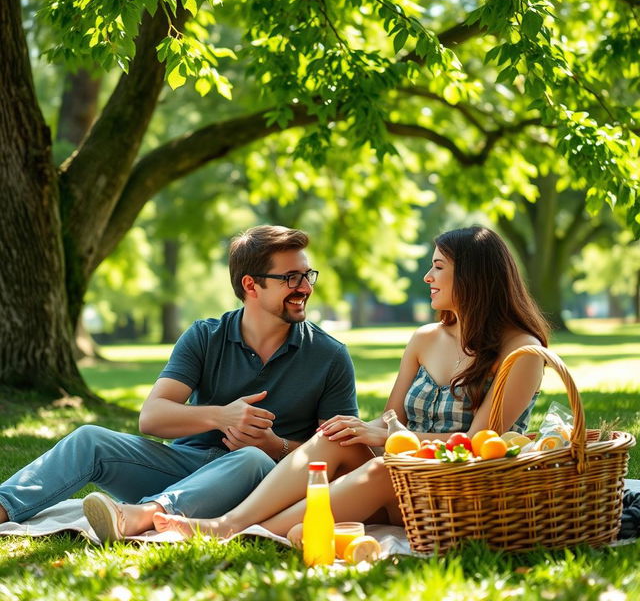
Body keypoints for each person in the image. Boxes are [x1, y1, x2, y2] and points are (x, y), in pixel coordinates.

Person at [152, 225, 550, 538]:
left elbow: (481, 444)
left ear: (474, 277)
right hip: (407, 475)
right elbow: (391, 419)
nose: (428, 276)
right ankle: (230, 522)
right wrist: (363, 430)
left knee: (381, 470)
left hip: (459, 489)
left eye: (439, 267)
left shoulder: (522, 352)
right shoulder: (426, 338)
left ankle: (241, 532)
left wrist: (385, 438)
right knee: (334, 437)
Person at [0, 225, 358, 542]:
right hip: (185, 466)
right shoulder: (205, 336)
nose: (305, 287)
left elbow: (345, 458)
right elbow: (152, 418)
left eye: (308, 275)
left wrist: (275, 446)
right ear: (251, 284)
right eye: (291, 278)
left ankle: (142, 516)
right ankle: (4, 506)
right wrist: (222, 418)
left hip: (263, 484)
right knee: (88, 439)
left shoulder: (329, 355)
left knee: (249, 457)